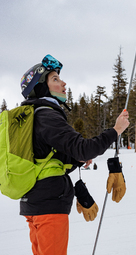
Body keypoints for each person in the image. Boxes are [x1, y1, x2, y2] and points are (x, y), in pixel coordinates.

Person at [19, 54, 130, 255]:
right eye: (55, 79)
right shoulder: (47, 114)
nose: (63, 83)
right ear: (42, 88)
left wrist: (76, 160)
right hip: (49, 209)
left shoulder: (35, 116)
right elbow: (84, 148)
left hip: (35, 205)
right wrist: (116, 130)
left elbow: (48, 160)